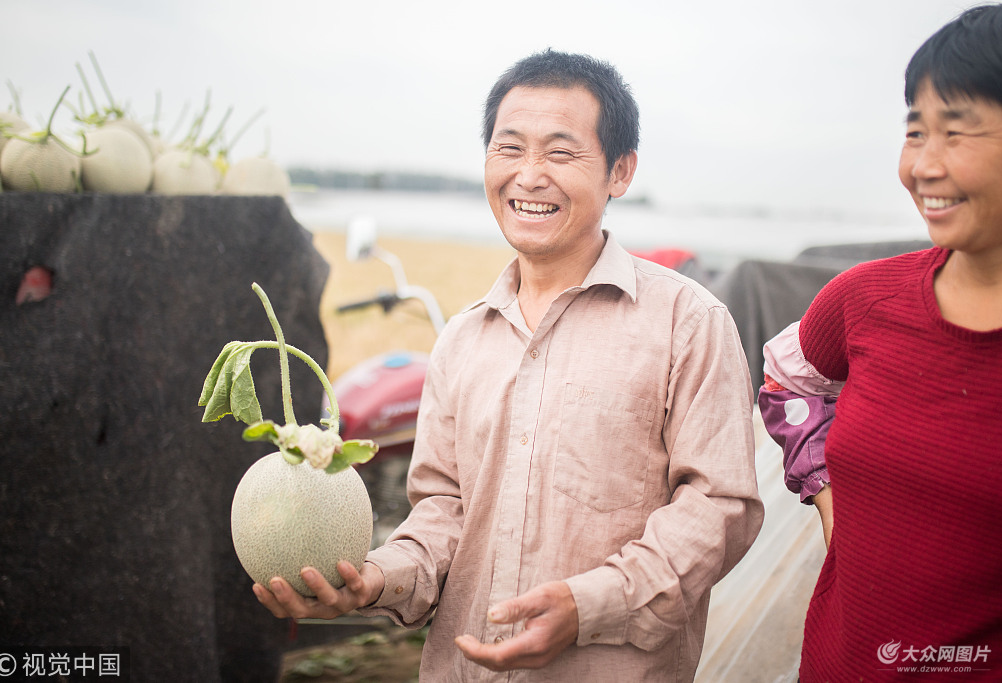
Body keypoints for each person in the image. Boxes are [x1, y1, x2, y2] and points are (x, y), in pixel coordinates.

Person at [257, 49, 764, 681]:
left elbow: (721, 508)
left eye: (561, 151)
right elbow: (443, 511)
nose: (529, 175)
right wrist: (375, 579)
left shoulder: (689, 322)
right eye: (509, 148)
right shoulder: (464, 337)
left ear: (620, 171)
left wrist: (588, 605)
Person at [758, 5, 1002, 681]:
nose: (921, 166)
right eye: (914, 131)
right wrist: (829, 495)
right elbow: (786, 380)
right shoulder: (864, 299)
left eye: (954, 133)